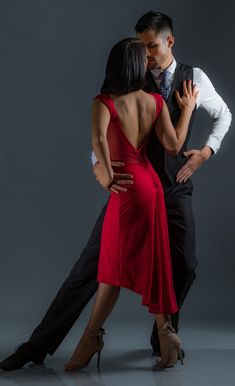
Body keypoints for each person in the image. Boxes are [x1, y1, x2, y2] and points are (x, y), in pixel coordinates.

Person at [0, 11, 231, 371]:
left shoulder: (194, 78)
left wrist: (206, 151)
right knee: (88, 270)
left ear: (169, 41)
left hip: (174, 188)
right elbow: (106, 134)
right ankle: (36, 347)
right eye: (141, 47)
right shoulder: (130, 78)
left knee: (184, 265)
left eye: (151, 46)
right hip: (132, 188)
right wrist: (99, 166)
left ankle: (163, 337)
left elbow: (224, 115)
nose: (146, 54)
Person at [64, 37, 197, 371]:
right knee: (154, 261)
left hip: (126, 190)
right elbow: (174, 144)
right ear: (138, 66)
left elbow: (97, 140)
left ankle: (91, 337)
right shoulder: (154, 101)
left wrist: (107, 175)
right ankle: (167, 337)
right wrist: (189, 109)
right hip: (150, 186)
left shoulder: (103, 102)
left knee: (111, 269)